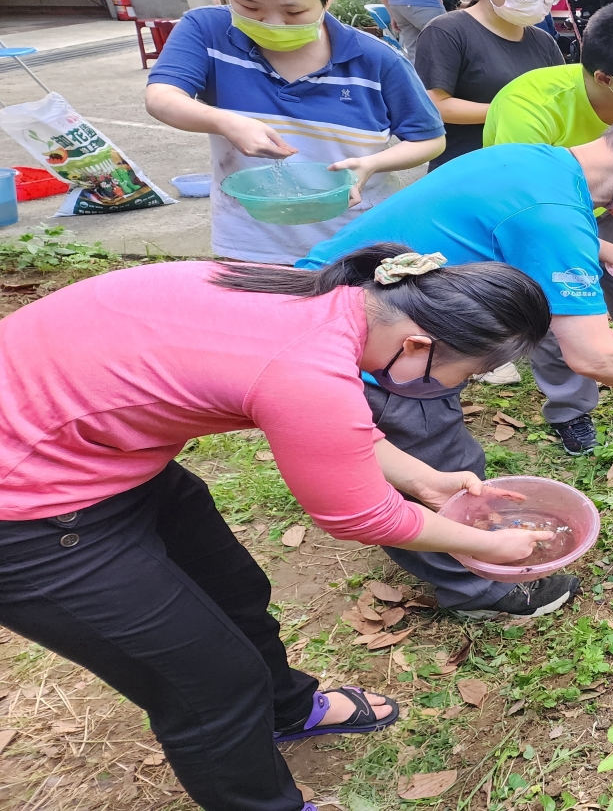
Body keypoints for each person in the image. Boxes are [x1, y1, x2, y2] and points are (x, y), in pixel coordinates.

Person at [0, 245, 554, 811]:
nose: (452, 389)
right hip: (23, 508)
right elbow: (361, 515)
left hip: (98, 457)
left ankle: (286, 712)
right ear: (419, 345)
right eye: (465, 375)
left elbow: (336, 425)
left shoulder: (321, 300)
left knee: (235, 591)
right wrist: (490, 546)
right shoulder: (305, 365)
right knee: (210, 686)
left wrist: (427, 481)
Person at [298, 100, 613, 616]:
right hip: (363, 341)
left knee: (430, 460)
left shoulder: (536, 162)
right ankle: (481, 591)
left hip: (329, 290)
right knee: (436, 465)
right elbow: (590, 357)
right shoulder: (553, 218)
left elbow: (539, 247)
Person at [146, 0, 445, 265]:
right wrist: (225, 121)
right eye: (250, 6)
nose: (273, 23)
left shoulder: (376, 59)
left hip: (356, 238)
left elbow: (428, 139)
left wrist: (371, 164)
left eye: (294, 12)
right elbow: (162, 96)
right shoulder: (207, 31)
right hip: (250, 239)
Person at [484, 1, 613, 447]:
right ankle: (569, 409)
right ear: (605, 80)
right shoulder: (530, 107)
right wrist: (612, 255)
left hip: (604, 213)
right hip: (531, 224)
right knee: (562, 312)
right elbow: (535, 215)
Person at [415, 0, 564, 170]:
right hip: (467, 168)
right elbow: (436, 105)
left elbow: (560, 100)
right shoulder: (447, 32)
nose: (538, 1)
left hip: (528, 166)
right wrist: (514, 109)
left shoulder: (543, 41)